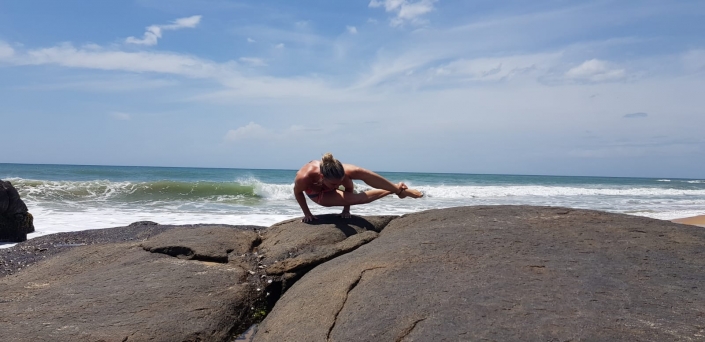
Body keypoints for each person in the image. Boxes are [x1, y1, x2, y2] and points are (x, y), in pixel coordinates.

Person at [294, 153, 423, 222]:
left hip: (333, 174)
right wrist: (307, 214)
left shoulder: (340, 173)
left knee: (360, 171)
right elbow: (298, 193)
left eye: (339, 183)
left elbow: (348, 188)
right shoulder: (304, 177)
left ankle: (398, 190)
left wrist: (346, 210)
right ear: (322, 176)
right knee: (355, 199)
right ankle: (397, 189)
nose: (338, 186)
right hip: (318, 192)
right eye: (334, 185)